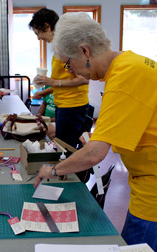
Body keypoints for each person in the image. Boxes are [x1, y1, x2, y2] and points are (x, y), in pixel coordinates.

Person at [34, 13, 157, 250]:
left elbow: (95, 154)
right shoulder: (128, 63)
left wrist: (53, 170)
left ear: (85, 51)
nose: (70, 71)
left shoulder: (125, 75)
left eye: (68, 63)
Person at [29, 8, 89, 148]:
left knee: (65, 147)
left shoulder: (67, 46)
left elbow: (84, 79)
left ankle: (65, 170)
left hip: (73, 106)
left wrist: (51, 82)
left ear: (47, 27)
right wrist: (44, 91)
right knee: (61, 143)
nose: (38, 38)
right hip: (63, 104)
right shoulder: (58, 48)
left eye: (38, 33)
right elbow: (62, 82)